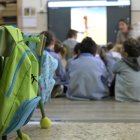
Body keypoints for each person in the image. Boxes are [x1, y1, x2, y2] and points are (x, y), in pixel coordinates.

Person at [40, 31, 66, 97]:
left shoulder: (35, 54)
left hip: (38, 84)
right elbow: (61, 74)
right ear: (53, 42)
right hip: (53, 84)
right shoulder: (56, 56)